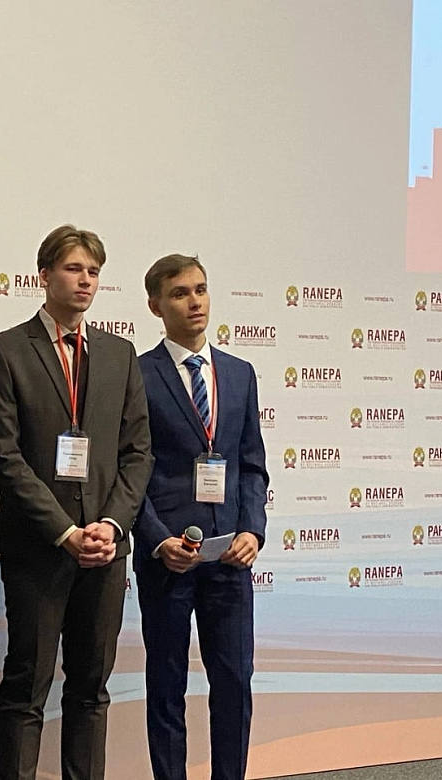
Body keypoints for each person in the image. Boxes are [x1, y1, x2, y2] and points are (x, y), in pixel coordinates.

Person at [0, 224, 153, 780]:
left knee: (90, 690)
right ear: (44, 275)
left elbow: (138, 453)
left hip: (104, 550)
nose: (86, 281)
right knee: (26, 687)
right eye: (74, 268)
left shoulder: (120, 354)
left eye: (94, 272)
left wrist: (112, 526)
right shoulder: (6, 349)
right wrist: (65, 531)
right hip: (39, 548)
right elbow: (4, 455)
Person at [135, 254, 269, 780]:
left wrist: (253, 530)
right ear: (155, 306)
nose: (194, 302)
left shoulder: (239, 373)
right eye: (180, 293)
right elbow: (129, 471)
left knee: (234, 682)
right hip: (169, 558)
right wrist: (155, 539)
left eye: (201, 289)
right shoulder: (137, 375)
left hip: (230, 557)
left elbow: (252, 464)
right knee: (167, 687)